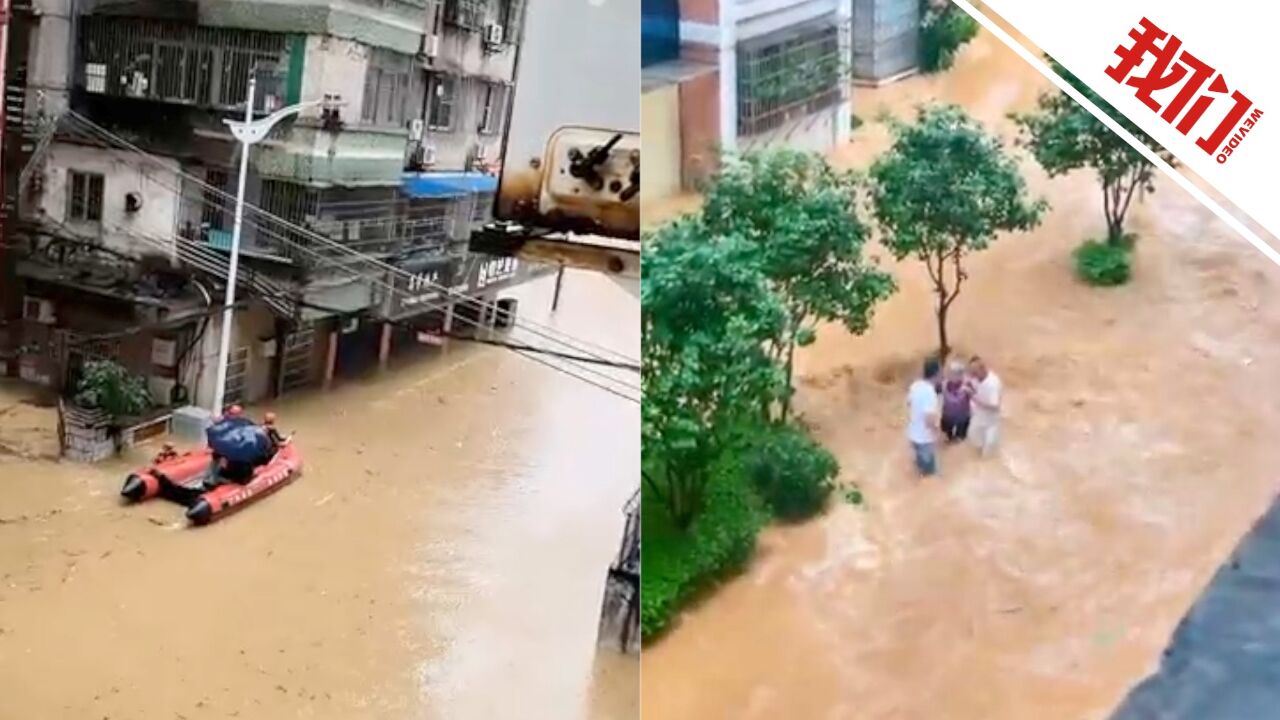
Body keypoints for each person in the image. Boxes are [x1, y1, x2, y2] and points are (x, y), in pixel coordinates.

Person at [906, 357, 942, 477]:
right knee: (930, 476)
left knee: (919, 468)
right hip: (925, 439)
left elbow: (909, 404)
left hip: (913, 435)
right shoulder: (930, 392)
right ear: (936, 373)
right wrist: (938, 432)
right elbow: (929, 419)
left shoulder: (915, 385)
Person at [967, 355, 1003, 457]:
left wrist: (973, 398)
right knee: (973, 440)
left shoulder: (993, 384)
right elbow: (972, 384)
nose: (972, 375)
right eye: (971, 372)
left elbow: (994, 407)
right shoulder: (976, 378)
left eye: (974, 372)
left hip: (991, 422)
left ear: (982, 369)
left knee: (988, 452)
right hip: (979, 417)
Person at [939, 360, 972, 442]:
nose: (951, 375)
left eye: (955, 374)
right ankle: (949, 437)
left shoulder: (967, 384)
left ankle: (958, 438)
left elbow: (976, 396)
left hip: (962, 417)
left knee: (960, 438)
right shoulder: (944, 384)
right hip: (948, 415)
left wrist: (969, 391)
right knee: (946, 433)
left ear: (961, 375)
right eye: (951, 373)